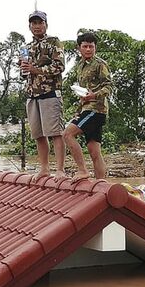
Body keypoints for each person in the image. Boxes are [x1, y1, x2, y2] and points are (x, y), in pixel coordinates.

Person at [20, 10, 66, 181]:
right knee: (38, 134)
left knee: (55, 132)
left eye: (40, 23)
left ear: (46, 24)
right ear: (30, 26)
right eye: (34, 23)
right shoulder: (26, 47)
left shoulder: (54, 42)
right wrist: (24, 69)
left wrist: (35, 69)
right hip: (32, 94)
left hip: (50, 93)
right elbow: (24, 74)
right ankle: (44, 168)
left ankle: (60, 169)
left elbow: (59, 67)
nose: (37, 26)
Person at [62, 32, 113, 182]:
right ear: (79, 48)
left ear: (95, 47)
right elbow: (83, 92)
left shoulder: (100, 64)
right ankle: (101, 184)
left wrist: (94, 95)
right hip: (86, 109)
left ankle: (83, 170)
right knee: (94, 150)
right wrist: (79, 111)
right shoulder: (80, 66)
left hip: (96, 110)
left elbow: (109, 87)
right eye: (85, 46)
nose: (89, 49)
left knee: (67, 134)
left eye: (91, 46)